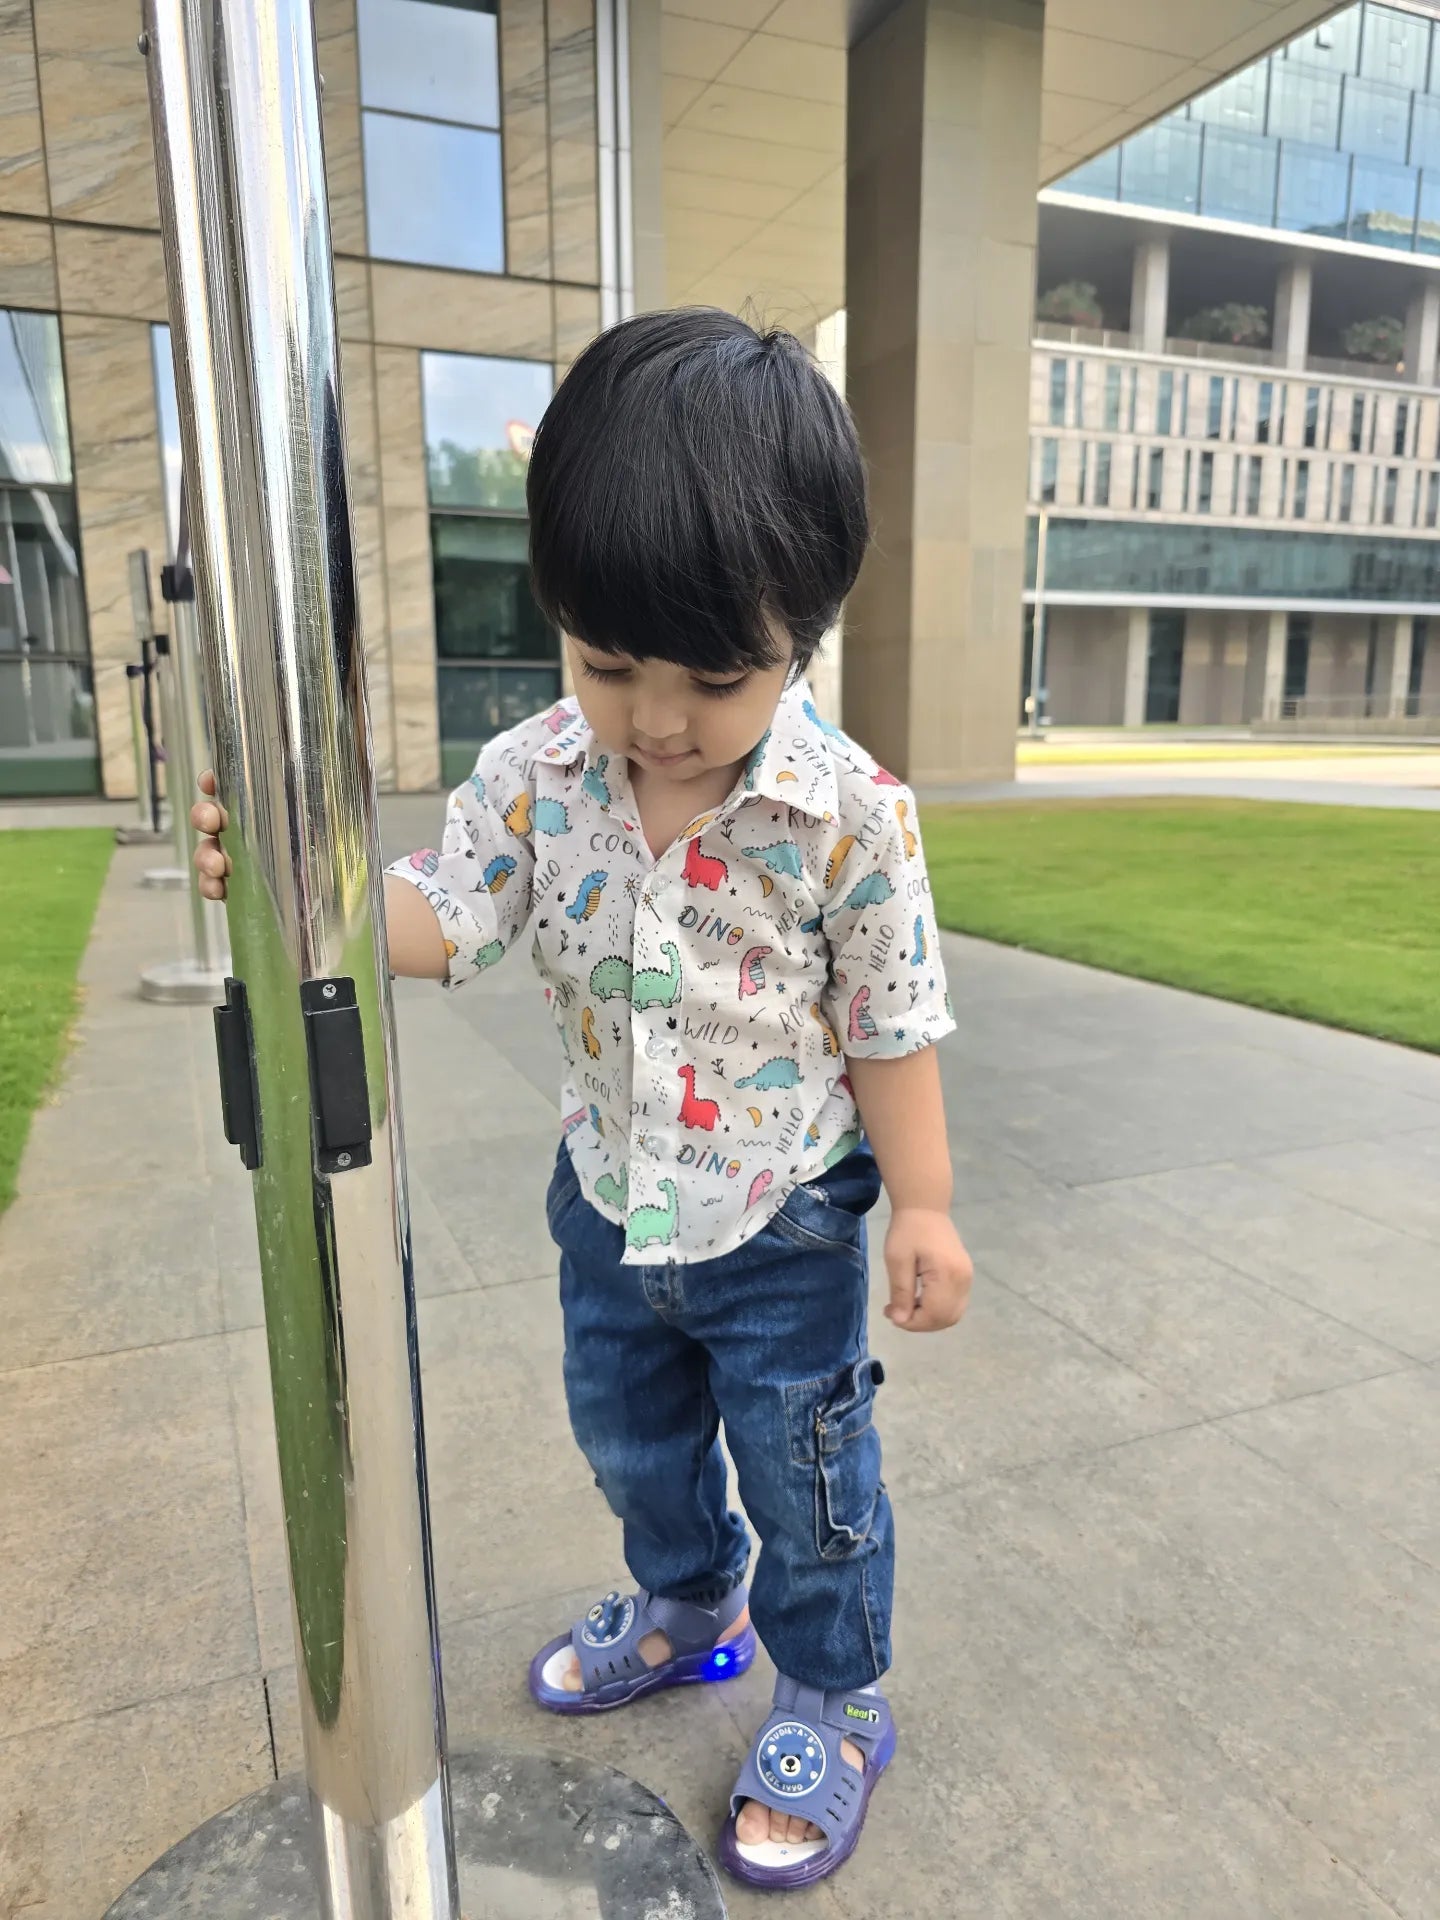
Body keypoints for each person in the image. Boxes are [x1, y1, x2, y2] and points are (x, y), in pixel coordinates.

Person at [192, 307, 973, 1891]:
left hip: (782, 1220)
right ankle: (690, 1609)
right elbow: (439, 914)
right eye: (611, 663)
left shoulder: (851, 819)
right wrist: (302, 892)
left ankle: (831, 1685)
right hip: (609, 1201)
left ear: (806, 634)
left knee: (805, 1465)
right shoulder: (539, 774)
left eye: (716, 675)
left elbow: (893, 1023)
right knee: (630, 1439)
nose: (658, 718)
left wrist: (932, 1204)